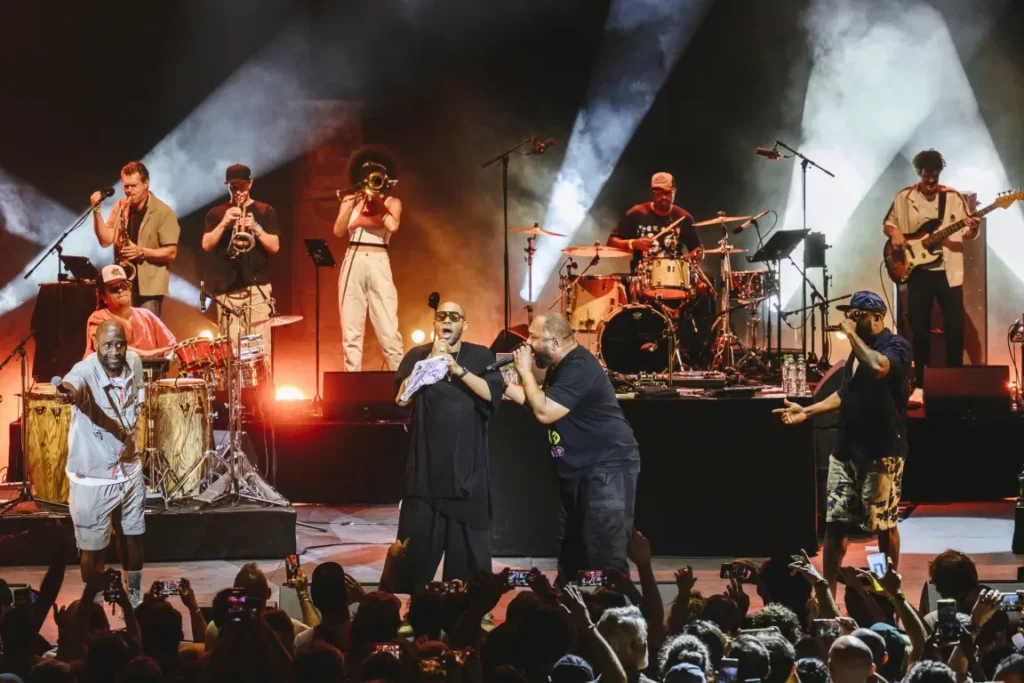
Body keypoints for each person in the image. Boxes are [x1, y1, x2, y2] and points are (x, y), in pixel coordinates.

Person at [774, 291, 912, 593]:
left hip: (881, 451)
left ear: (877, 317)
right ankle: (829, 597)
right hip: (846, 450)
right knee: (835, 525)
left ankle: (885, 592)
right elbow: (845, 395)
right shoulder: (855, 352)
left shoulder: (896, 346)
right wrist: (807, 411)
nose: (849, 320)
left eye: (857, 315)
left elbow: (879, 368)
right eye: (849, 314)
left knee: (882, 525)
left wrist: (851, 336)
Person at [505, 312, 641, 586]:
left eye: (533, 337)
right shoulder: (561, 364)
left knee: (603, 558)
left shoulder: (579, 366)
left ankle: (618, 622)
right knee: (572, 554)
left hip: (605, 469)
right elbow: (540, 401)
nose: (528, 344)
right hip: (579, 470)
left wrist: (525, 373)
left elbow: (544, 412)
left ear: (555, 343)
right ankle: (569, 619)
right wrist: (504, 385)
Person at [392, 301, 504, 591]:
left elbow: (491, 394)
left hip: (467, 476)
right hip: (425, 475)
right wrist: (430, 362)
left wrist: (457, 368)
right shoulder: (417, 356)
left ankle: (470, 612)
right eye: (442, 315)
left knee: (467, 566)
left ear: (464, 325)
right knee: (413, 558)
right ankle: (413, 612)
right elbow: (402, 399)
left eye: (455, 317)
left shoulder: (479, 355)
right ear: (434, 322)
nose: (447, 320)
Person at [54, 319, 146, 607]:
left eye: (120, 343)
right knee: (92, 549)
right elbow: (71, 385)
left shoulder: (134, 362)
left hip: (129, 468)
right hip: (93, 477)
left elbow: (137, 398)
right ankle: (90, 605)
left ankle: (133, 596)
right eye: (108, 345)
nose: (115, 351)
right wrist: (65, 392)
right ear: (95, 345)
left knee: (133, 535)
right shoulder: (84, 370)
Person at [883, 150, 980, 406]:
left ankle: (953, 383)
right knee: (920, 330)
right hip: (918, 273)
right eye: (927, 177)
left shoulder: (952, 197)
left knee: (956, 330)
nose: (930, 183)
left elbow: (967, 233)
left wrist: (973, 227)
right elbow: (888, 224)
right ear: (919, 173)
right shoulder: (904, 197)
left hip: (948, 273)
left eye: (934, 178)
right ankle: (922, 385)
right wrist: (894, 233)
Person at [334, 147, 404, 371]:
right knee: (351, 331)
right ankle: (351, 380)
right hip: (352, 258)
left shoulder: (392, 202)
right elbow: (338, 231)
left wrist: (377, 201)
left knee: (388, 328)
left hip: (378, 260)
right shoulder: (350, 199)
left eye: (375, 175)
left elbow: (393, 225)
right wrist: (353, 202)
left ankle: (402, 384)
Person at [202, 163, 281, 361]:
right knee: (232, 355)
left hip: (257, 288)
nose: (237, 191)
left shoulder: (265, 210)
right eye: (232, 187)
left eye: (241, 186)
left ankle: (262, 391)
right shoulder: (216, 213)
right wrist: (224, 223)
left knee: (260, 351)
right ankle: (233, 392)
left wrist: (256, 228)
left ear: (250, 183)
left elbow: (275, 247)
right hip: (227, 291)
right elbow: (206, 244)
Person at [90, 161, 181, 317]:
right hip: (123, 285)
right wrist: (96, 210)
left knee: (147, 335)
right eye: (126, 186)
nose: (128, 191)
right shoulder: (120, 207)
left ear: (146, 184)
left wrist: (141, 252)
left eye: (133, 186)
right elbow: (106, 240)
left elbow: (171, 253)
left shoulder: (163, 212)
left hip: (149, 288)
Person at [607, 171, 703, 274]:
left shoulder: (683, 217)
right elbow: (611, 242)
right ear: (651, 192)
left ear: (674, 191)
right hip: (641, 279)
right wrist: (633, 243)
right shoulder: (637, 213)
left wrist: (684, 260)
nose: (663, 197)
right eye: (658, 193)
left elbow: (698, 250)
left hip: (674, 277)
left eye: (667, 192)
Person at [83, 265, 176, 360]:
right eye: (114, 289)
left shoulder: (147, 315)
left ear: (129, 288)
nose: (120, 290)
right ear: (104, 297)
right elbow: (109, 348)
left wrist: (170, 356)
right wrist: (148, 354)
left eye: (124, 285)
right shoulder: (98, 318)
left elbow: (171, 346)